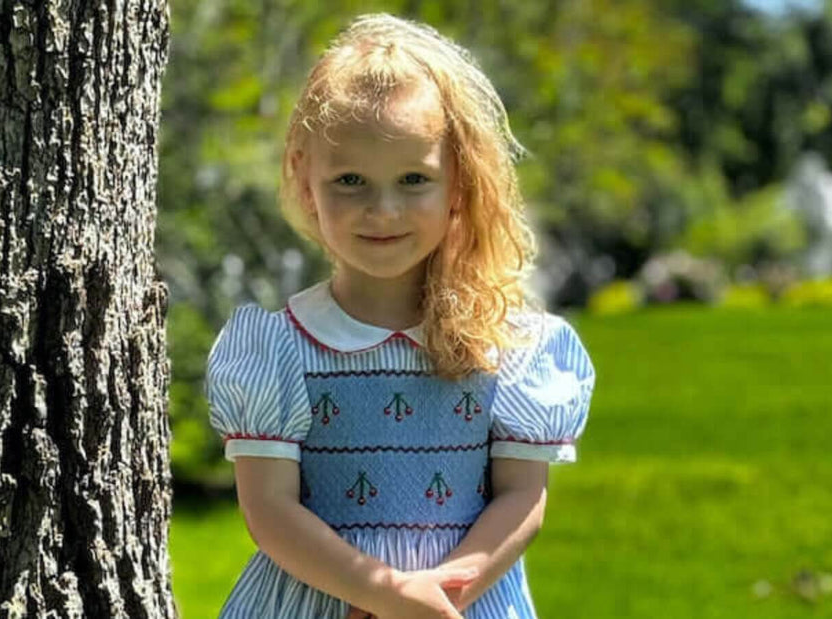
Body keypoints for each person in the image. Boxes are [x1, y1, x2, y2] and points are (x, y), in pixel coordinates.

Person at [204, 13, 596, 619]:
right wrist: (381, 593)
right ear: (307, 184)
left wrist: (440, 594)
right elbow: (270, 512)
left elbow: (522, 498)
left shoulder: (508, 344)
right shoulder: (278, 348)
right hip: (319, 599)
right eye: (350, 180)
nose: (382, 209)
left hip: (463, 601)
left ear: (459, 185)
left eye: (414, 179)